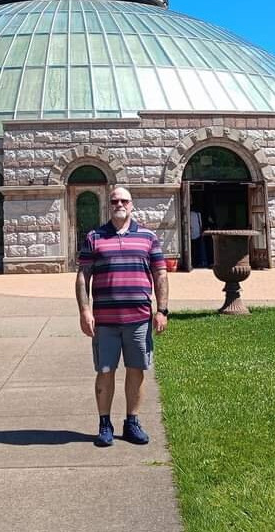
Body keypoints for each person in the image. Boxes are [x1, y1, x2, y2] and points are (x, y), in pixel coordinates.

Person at [75, 185, 168, 447]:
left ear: (132, 205)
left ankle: (132, 422)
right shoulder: (94, 237)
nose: (119, 204)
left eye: (124, 200)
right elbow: (83, 276)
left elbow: (160, 274)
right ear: (109, 205)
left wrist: (162, 310)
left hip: (138, 318)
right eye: (114, 200)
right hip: (105, 321)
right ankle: (105, 425)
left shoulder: (148, 237)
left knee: (136, 369)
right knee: (105, 370)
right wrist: (84, 310)